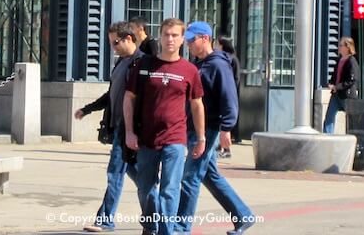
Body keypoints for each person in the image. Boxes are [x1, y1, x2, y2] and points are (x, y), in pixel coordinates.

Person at [124, 18, 206, 235]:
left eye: (175, 35)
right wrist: (130, 131)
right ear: (160, 36)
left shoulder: (189, 70)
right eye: (166, 34)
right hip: (146, 139)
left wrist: (201, 137)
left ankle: (165, 232)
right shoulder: (144, 65)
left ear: (181, 39)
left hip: (175, 139)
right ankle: (151, 224)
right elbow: (129, 98)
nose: (170, 39)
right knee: (145, 190)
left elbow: (197, 105)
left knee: (169, 191)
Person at [74, 21, 156, 233]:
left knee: (115, 172)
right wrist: (88, 109)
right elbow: (110, 95)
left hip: (130, 129)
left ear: (129, 39)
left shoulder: (142, 63)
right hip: (118, 127)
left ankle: (105, 219)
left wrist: (135, 130)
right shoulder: (121, 63)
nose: (113, 47)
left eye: (116, 42)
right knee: (137, 175)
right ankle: (156, 217)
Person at [176, 22, 255, 235]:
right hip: (195, 127)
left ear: (205, 38)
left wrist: (226, 129)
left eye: (192, 40)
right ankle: (243, 216)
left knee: (190, 178)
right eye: (188, 41)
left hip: (207, 129)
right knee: (209, 175)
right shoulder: (199, 63)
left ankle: (181, 227)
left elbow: (229, 97)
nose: (189, 44)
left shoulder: (218, 65)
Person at [322, 37, 360, 134]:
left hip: (347, 96)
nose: (338, 47)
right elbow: (335, 75)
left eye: (341, 45)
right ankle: (327, 138)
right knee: (329, 118)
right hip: (336, 95)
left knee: (351, 119)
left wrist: (337, 87)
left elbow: (352, 79)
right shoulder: (339, 60)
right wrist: (331, 83)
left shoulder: (352, 61)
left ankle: (353, 137)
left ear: (347, 47)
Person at [216, 36, 242, 158]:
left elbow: (236, 78)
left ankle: (226, 148)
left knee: (225, 121)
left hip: (227, 95)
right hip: (220, 94)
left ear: (222, 45)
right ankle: (219, 147)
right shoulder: (219, 58)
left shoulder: (231, 59)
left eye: (217, 43)